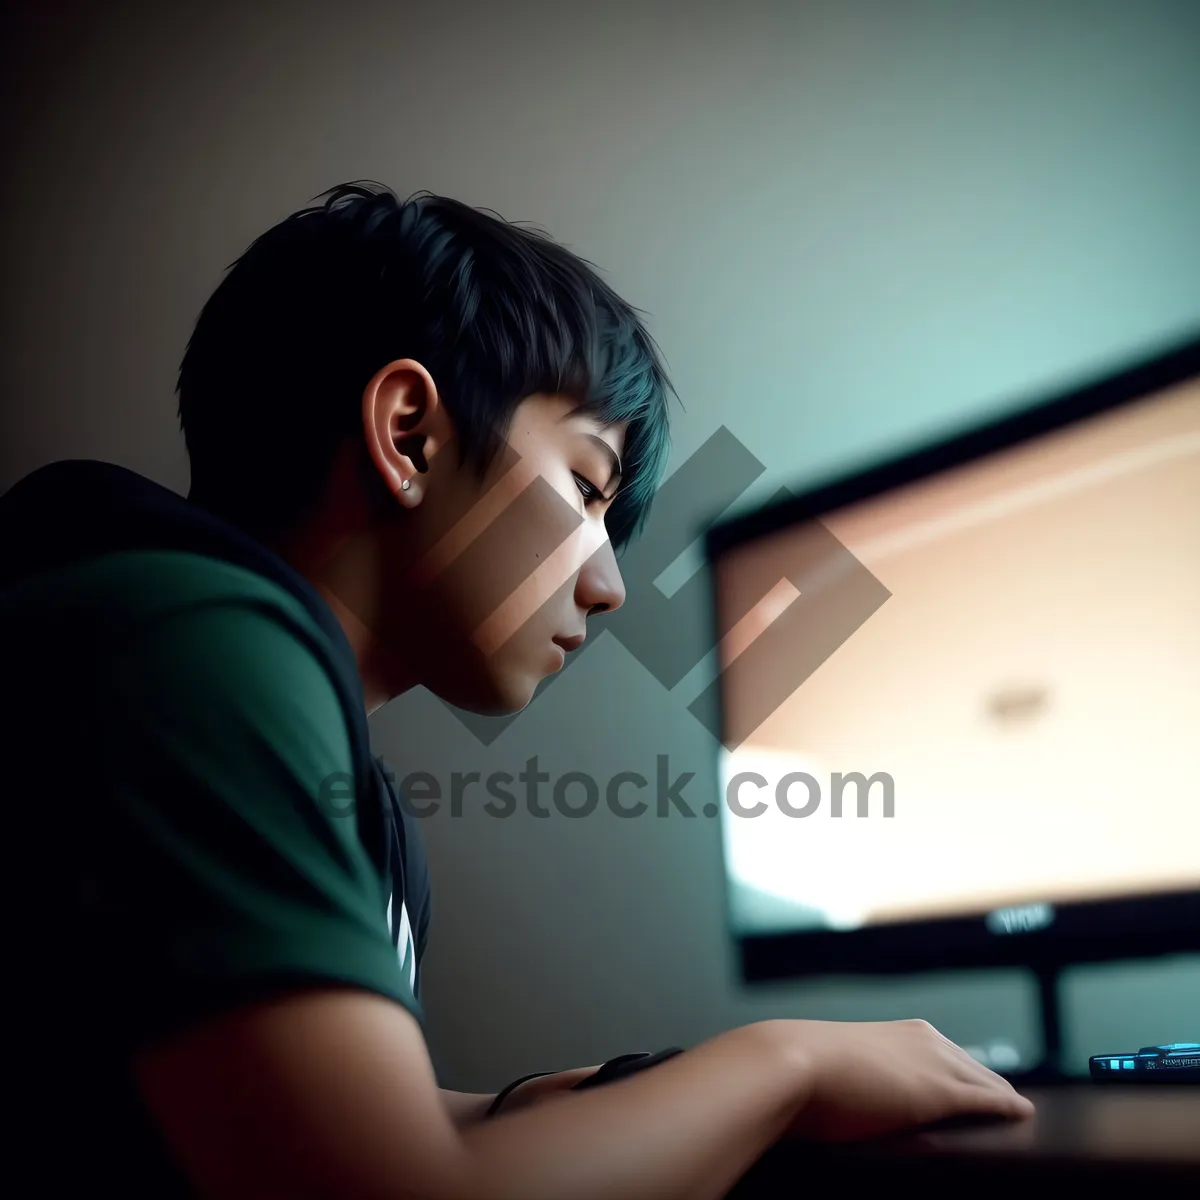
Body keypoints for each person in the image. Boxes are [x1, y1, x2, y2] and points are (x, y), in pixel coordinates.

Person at [0, 181, 1033, 1198]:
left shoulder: (351, 800)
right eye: (586, 488)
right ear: (409, 433)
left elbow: (303, 1120)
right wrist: (786, 1066)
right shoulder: (190, 644)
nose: (612, 584)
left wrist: (528, 1104)